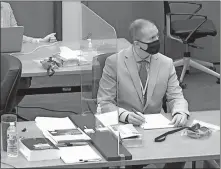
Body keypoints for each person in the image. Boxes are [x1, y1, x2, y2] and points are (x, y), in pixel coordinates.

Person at [97, 19, 190, 169]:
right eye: (152, 38)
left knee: (181, 154)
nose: (157, 41)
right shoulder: (114, 62)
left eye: (157, 36)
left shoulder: (166, 63)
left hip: (156, 127)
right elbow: (104, 102)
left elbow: (176, 96)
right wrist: (124, 115)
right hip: (125, 128)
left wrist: (180, 111)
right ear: (137, 43)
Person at [1, 2, 57, 107]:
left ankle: (7, 110)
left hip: (7, 57)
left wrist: (40, 41)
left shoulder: (6, 6)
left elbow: (15, 33)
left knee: (24, 79)